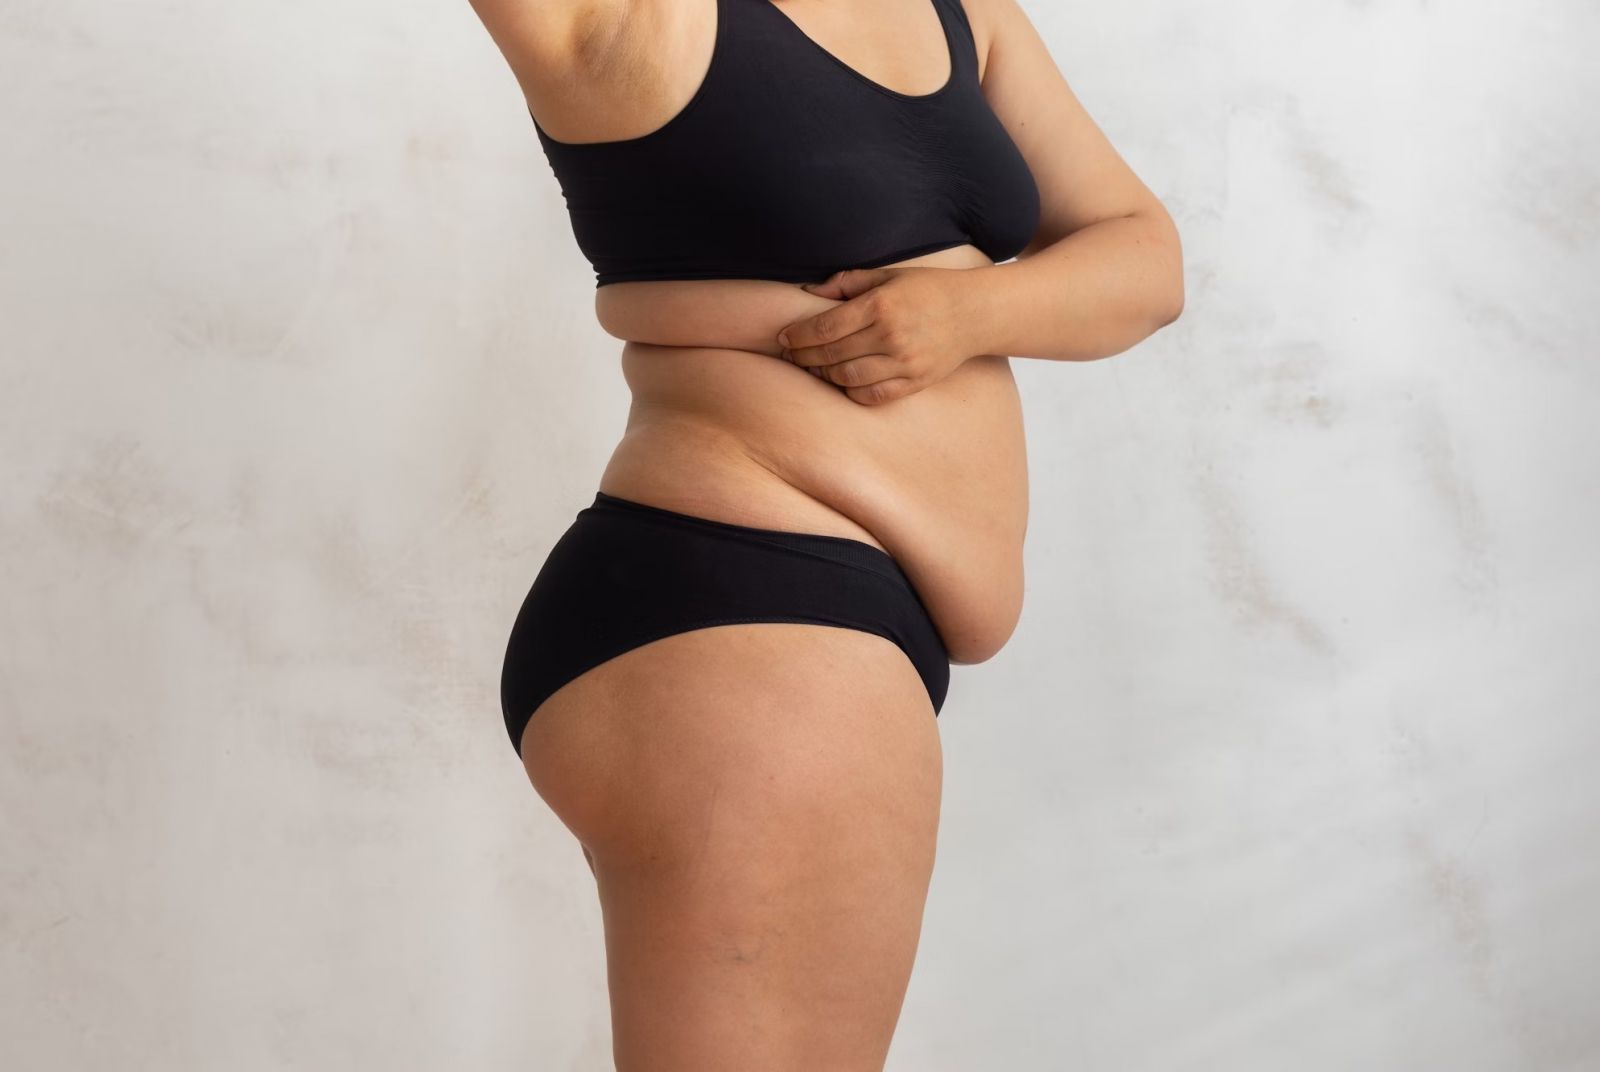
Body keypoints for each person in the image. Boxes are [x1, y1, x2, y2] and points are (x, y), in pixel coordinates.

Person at [466, 0, 1183, 1067]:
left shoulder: (960, 11)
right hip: (748, 620)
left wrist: (964, 315)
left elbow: (1144, 259)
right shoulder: (634, 20)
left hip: (799, 637)